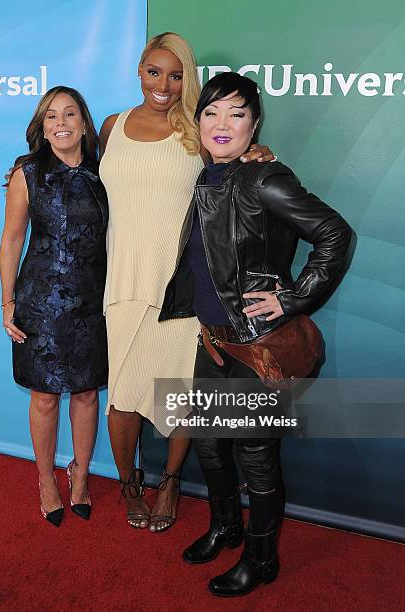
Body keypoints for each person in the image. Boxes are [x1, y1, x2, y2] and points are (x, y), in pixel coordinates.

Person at [159, 71, 352, 596]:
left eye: (236, 114)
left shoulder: (264, 178)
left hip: (254, 347)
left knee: (255, 459)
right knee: (210, 446)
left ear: (254, 123)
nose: (222, 125)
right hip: (213, 340)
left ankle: (262, 558)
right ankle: (225, 526)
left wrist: (289, 299)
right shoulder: (210, 174)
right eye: (212, 113)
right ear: (198, 122)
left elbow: (335, 233)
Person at [98, 32, 275, 532]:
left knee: (179, 397)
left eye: (177, 75)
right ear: (139, 70)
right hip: (123, 283)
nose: (164, 84)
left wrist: (256, 152)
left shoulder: (196, 134)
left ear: (188, 80)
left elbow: (231, 167)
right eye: (154, 71)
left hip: (181, 288)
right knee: (123, 396)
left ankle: (170, 481)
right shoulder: (113, 126)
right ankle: (129, 482)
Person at [0, 86, 108, 527]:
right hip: (40, 302)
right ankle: (46, 479)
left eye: (68, 114)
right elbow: (11, 240)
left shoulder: (106, 171)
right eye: (50, 117)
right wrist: (7, 302)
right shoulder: (28, 172)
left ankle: (80, 475)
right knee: (44, 398)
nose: (60, 123)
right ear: (42, 128)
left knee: (85, 393)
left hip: (93, 301)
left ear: (83, 121)